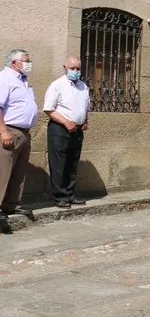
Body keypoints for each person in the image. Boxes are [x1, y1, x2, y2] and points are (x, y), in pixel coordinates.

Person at [43, 55, 90, 208]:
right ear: (65, 68)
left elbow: (86, 107)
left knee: (72, 163)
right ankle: (60, 196)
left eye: (78, 68)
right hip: (60, 129)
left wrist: (85, 120)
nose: (75, 71)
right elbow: (49, 109)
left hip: (77, 130)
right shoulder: (57, 85)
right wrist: (65, 122)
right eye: (72, 68)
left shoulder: (83, 87)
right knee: (59, 164)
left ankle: (70, 194)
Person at [0, 49, 39, 226]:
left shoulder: (23, 81)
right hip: (9, 131)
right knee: (3, 170)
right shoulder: (5, 78)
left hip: (24, 132)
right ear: (14, 63)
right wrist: (3, 131)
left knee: (18, 172)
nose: (29, 63)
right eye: (26, 60)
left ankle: (11, 204)